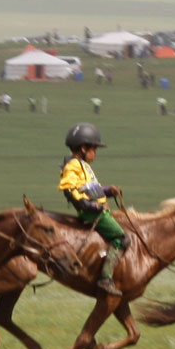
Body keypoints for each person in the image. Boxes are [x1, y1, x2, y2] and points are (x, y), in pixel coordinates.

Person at [60, 123, 127, 296]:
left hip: (97, 209)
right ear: (83, 148)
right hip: (92, 213)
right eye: (94, 149)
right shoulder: (73, 166)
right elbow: (70, 191)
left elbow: (90, 189)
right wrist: (92, 206)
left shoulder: (83, 166)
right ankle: (105, 278)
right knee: (122, 238)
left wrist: (108, 191)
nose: (95, 153)